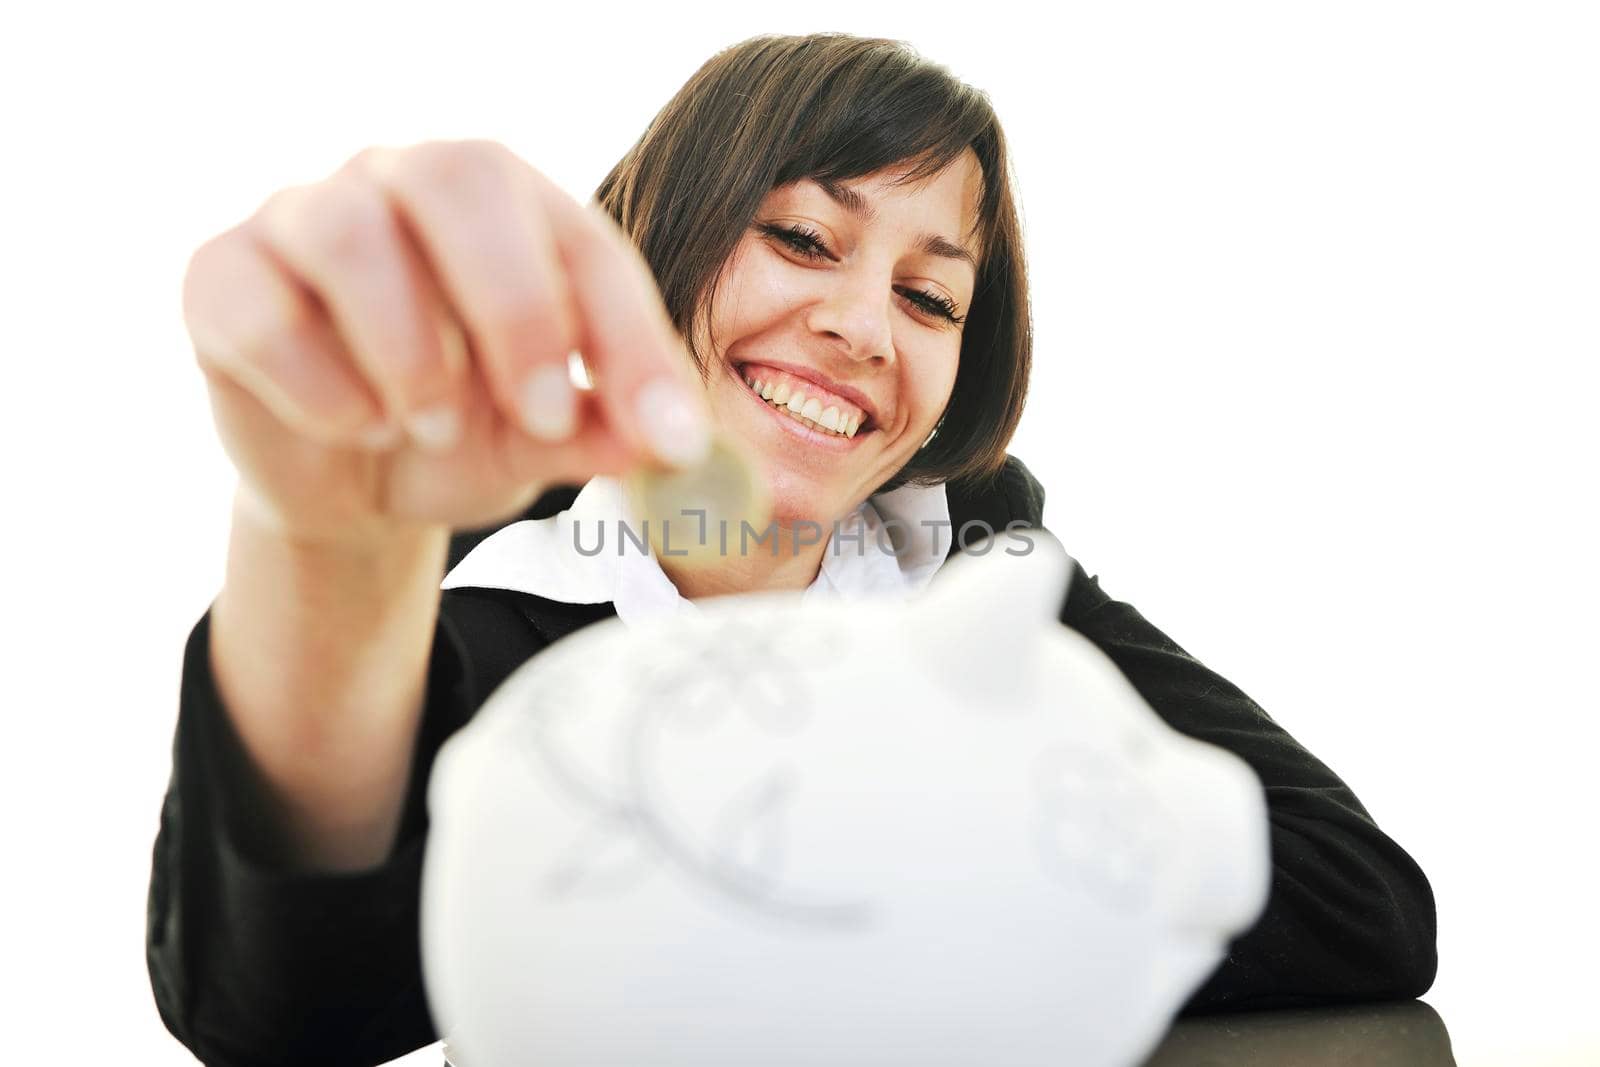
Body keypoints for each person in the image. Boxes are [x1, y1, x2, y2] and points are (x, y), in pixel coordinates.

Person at [146, 32, 1437, 1067]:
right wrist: (325, 544)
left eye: (931, 296)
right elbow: (278, 1012)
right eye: (806, 239)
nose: (867, 326)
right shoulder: (491, 579)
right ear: (664, 232)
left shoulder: (969, 558)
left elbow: (1358, 898)